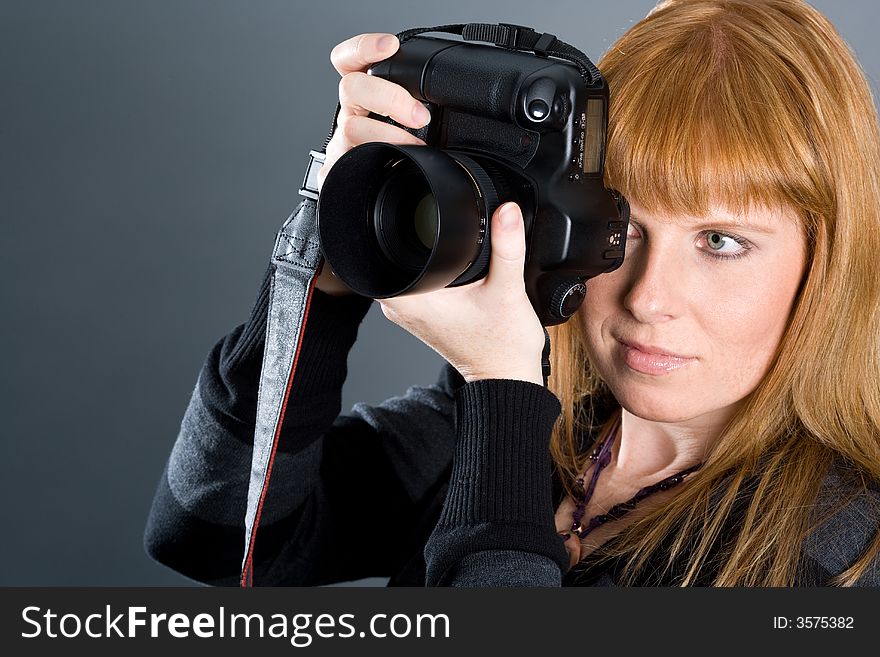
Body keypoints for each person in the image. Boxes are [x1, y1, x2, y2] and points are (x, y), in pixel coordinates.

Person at [145, 0, 880, 586]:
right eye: (618, 228)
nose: (649, 298)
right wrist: (329, 269)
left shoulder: (842, 547)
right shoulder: (539, 420)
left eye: (721, 241)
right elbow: (211, 535)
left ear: (829, 260)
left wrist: (502, 391)